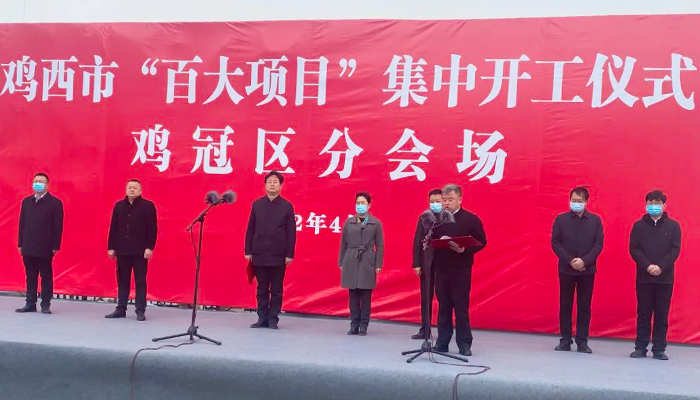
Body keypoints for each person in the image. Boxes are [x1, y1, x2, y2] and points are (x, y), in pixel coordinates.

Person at [432, 184, 487, 356]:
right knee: (443, 307)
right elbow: (429, 240)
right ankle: (442, 342)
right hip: (441, 269)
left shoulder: (471, 219)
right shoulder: (437, 219)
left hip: (461, 270)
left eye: (451, 200)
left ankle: (464, 344)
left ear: (460, 199)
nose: (447, 203)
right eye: (444, 200)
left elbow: (482, 241)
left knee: (461, 308)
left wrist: (464, 249)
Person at [551, 187, 604, 354]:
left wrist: (584, 261)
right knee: (565, 305)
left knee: (584, 307)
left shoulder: (595, 221)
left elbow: (598, 244)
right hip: (566, 270)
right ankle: (565, 340)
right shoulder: (561, 219)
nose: (576, 203)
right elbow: (555, 243)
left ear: (586, 202)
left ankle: (582, 342)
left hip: (587, 270)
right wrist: (570, 260)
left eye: (579, 201)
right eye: (573, 200)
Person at [629, 190, 681, 361]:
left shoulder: (673, 226)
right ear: (646, 205)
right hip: (644, 277)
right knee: (643, 314)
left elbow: (675, 250)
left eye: (657, 203)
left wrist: (661, 267)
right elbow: (634, 249)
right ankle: (640, 347)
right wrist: (648, 266)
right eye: (650, 203)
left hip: (665, 278)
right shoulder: (638, 226)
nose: (653, 206)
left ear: (664, 205)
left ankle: (659, 349)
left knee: (661, 314)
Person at [245, 171, 296, 329]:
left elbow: (291, 232)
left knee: (276, 288)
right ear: (265, 185)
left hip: (278, 254)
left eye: (275, 182)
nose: (272, 185)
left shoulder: (287, 206)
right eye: (269, 182)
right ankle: (262, 318)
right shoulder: (257, 204)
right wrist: (248, 250)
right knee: (261, 288)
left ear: (280, 186)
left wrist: (289, 254)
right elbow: (250, 228)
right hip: (259, 252)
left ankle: (273, 318)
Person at [105, 179, 158, 321]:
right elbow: (113, 227)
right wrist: (111, 247)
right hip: (122, 249)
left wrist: (149, 247)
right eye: (129, 187)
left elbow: (153, 228)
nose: (132, 190)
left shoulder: (148, 206)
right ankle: (121, 308)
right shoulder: (119, 206)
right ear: (126, 189)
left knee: (140, 280)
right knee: (123, 280)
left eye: (135, 188)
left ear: (140, 191)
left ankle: (140, 310)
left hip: (140, 251)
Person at [16, 172, 64, 314]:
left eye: (41, 181)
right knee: (30, 276)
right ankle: (30, 303)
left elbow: (58, 226)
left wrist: (55, 245)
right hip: (28, 245)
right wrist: (20, 243)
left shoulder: (55, 203)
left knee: (46, 276)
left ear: (47, 185)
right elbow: (22, 224)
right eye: (36, 181)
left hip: (45, 247)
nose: (38, 183)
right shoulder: (26, 201)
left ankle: (45, 304)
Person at [339, 192, 384, 336]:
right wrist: (341, 262)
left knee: (365, 296)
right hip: (351, 259)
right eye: (358, 203)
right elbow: (343, 244)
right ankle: (354, 325)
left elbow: (380, 246)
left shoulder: (376, 223)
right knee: (353, 295)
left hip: (367, 260)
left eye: (363, 203)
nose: (360, 206)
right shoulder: (349, 222)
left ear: (369, 205)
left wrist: (378, 265)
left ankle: (364, 325)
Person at [410, 188, 444, 340]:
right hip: (426, 262)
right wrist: (416, 263)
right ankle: (425, 329)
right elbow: (417, 240)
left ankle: (444, 331)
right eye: (432, 201)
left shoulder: (448, 218)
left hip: (443, 264)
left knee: (443, 298)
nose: (435, 204)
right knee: (425, 298)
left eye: (438, 201)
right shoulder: (424, 218)